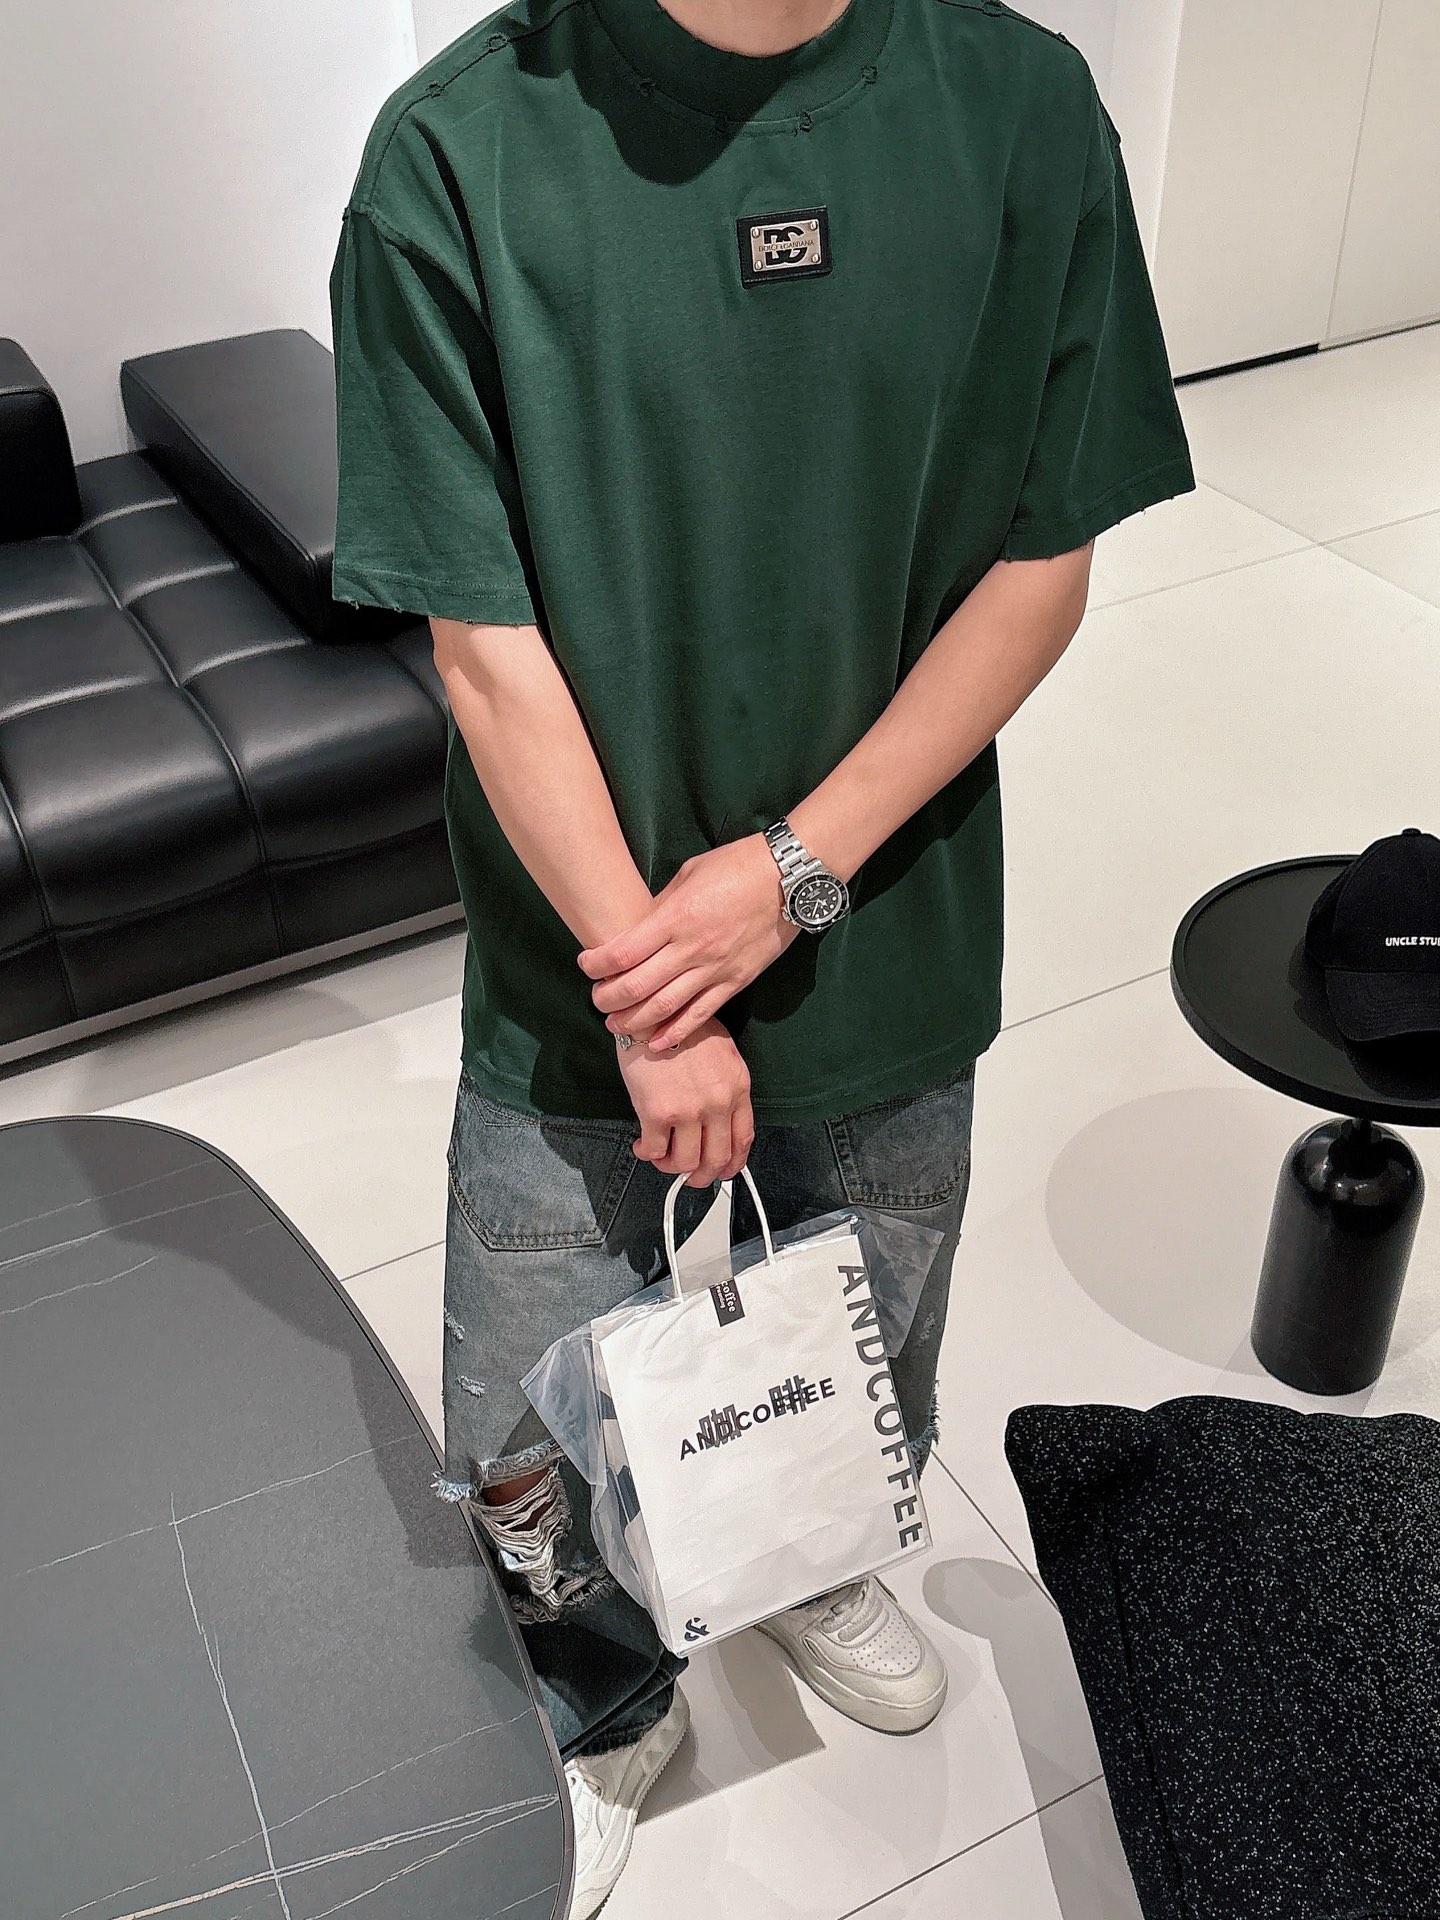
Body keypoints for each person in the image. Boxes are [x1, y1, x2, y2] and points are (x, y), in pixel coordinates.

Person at [328, 0, 1195, 1908]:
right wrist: (652, 987)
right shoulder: (459, 151)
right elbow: (479, 642)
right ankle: (597, 1691)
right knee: (525, 1424)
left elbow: (1044, 558)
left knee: (855, 1340)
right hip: (579, 976)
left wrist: (791, 876)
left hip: (885, 933)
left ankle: (804, 1571)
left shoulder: (1021, 104)